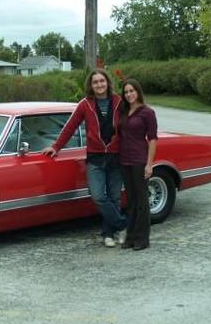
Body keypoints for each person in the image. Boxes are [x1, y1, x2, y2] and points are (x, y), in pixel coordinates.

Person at [43, 69, 126, 248]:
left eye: (102, 81)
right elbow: (71, 126)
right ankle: (123, 225)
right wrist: (56, 146)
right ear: (91, 85)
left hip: (116, 156)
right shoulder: (85, 104)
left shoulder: (119, 101)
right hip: (95, 157)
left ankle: (109, 234)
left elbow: (132, 123)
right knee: (97, 196)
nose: (99, 85)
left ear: (107, 82)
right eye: (95, 82)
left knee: (115, 197)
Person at [118, 78, 158, 251]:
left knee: (142, 201)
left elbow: (153, 139)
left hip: (139, 161)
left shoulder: (147, 112)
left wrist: (149, 165)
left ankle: (142, 239)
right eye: (126, 92)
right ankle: (131, 237)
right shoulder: (124, 111)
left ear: (138, 91)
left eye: (131, 91)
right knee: (131, 200)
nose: (129, 94)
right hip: (124, 161)